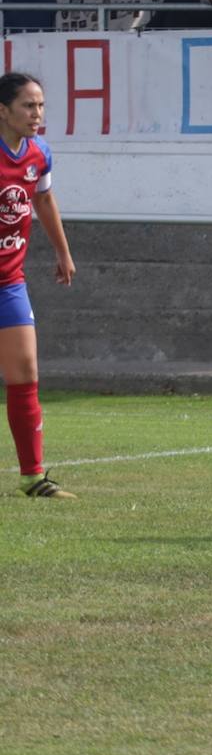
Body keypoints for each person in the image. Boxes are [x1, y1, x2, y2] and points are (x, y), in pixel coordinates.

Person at [0, 73, 76, 499]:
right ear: (3, 110)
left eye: (41, 106)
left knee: (25, 374)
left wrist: (62, 253)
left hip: (9, 282)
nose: (37, 114)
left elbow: (43, 199)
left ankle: (34, 478)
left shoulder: (38, 153)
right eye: (28, 106)